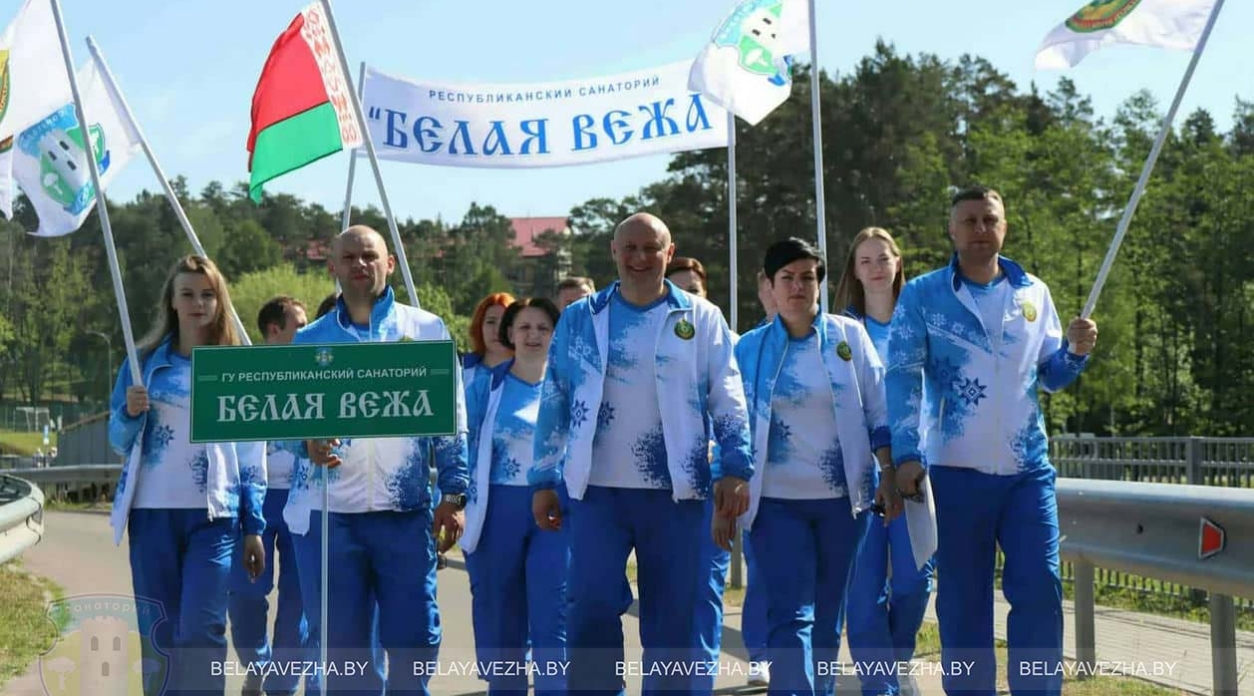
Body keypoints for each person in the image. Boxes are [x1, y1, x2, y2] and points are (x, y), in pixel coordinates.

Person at [530, 212, 753, 695]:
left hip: (678, 493)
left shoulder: (701, 317)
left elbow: (728, 397)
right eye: (629, 248)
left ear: (669, 253)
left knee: (672, 621)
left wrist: (735, 466)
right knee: (589, 607)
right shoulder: (580, 318)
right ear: (613, 251)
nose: (640, 258)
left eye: (651, 248)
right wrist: (544, 478)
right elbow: (556, 399)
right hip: (596, 493)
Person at [887, 186, 1098, 695]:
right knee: (963, 601)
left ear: (1004, 225)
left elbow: (1048, 377)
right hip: (955, 471)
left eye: (990, 219)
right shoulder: (923, 294)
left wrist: (1075, 352)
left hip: (1027, 472)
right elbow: (901, 375)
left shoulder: (1034, 293)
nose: (981, 229)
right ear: (952, 231)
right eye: (970, 221)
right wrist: (907, 453)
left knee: (1040, 589)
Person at [284, 225, 470, 696]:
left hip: (405, 513)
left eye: (369, 256)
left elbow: (452, 419)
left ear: (389, 263)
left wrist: (454, 492)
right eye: (348, 257)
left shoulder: (425, 329)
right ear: (332, 268)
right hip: (333, 517)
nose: (359, 265)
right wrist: (304, 440)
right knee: (344, 652)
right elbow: (285, 423)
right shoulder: (309, 340)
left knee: (415, 637)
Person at [726, 237, 902, 696]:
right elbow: (730, 422)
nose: (799, 286)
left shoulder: (849, 337)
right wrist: (726, 488)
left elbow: (879, 411)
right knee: (790, 615)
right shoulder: (750, 349)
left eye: (808, 277)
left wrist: (887, 471)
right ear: (769, 285)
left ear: (820, 283)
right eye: (788, 277)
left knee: (827, 618)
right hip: (775, 504)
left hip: (844, 504)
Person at [107, 254, 266, 694]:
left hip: (214, 519)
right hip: (152, 514)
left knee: (201, 629)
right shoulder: (141, 365)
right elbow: (118, 440)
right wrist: (130, 412)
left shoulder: (235, 368)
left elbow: (251, 455)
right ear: (172, 303)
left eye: (208, 294)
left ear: (220, 302)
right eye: (188, 294)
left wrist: (254, 526)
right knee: (160, 634)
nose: (198, 303)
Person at [836, 228, 935, 696]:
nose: (875, 267)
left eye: (883, 258)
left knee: (914, 583)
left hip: (917, 471)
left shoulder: (922, 321)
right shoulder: (839, 333)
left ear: (898, 263)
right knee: (863, 591)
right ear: (854, 272)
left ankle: (896, 662)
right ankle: (881, 685)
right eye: (865, 260)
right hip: (860, 474)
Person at [463, 297, 569, 696]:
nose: (533, 336)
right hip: (497, 511)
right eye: (524, 327)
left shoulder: (571, 388)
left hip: (557, 512)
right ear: (509, 333)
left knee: (553, 612)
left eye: (543, 328)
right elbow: (462, 447)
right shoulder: (484, 388)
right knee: (501, 614)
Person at [230, 296, 310, 696]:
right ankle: (258, 665)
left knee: (297, 602)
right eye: (300, 323)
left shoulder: (317, 373)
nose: (309, 330)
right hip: (256, 502)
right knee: (245, 597)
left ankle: (281, 684)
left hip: (303, 499)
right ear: (274, 330)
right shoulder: (247, 374)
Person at [463, 293, 516, 388]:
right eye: (491, 322)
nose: (498, 330)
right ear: (479, 327)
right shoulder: (459, 370)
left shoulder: (529, 375)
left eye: (506, 322)